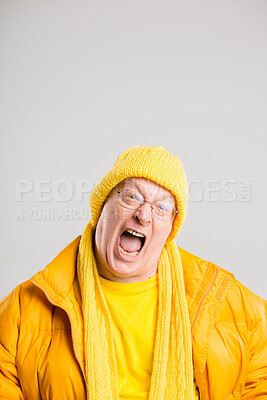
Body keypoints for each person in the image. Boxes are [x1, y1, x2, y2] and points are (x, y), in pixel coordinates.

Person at [0, 145, 266, 400]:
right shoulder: (26, 306)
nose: (144, 215)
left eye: (161, 207)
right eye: (132, 197)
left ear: (170, 228)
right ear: (102, 205)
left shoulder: (217, 296)